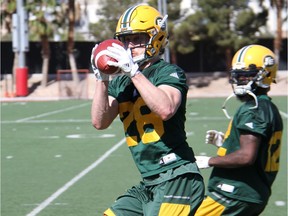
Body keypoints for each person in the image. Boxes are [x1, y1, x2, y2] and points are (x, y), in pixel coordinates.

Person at [90, 4, 204, 216]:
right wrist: (101, 78)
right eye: (126, 39)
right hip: (149, 182)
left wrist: (133, 72)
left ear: (156, 37)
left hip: (177, 177)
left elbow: (166, 108)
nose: (130, 46)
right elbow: (100, 121)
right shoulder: (121, 83)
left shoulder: (169, 72)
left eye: (137, 38)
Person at [195, 44, 283, 216]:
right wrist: (228, 143)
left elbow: (246, 156)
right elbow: (256, 149)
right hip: (251, 193)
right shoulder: (267, 106)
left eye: (246, 76)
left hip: (235, 192)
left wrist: (208, 161)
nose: (239, 81)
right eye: (237, 75)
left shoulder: (254, 108)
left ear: (265, 75)